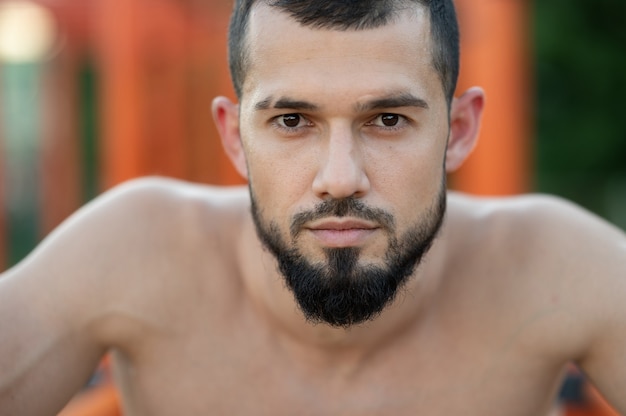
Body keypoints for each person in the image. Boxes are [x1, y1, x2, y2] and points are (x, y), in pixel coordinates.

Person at [1, 0, 625, 414]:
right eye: (293, 120)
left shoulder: (552, 267)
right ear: (234, 137)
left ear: (459, 130)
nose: (340, 179)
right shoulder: (136, 253)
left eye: (387, 119)